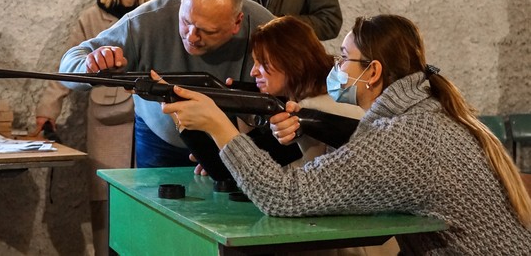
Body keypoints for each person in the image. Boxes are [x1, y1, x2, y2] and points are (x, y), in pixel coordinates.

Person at [162, 14, 531, 254]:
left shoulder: (405, 137)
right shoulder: (427, 113)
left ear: (372, 72)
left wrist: (217, 125)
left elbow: (283, 196)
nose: (335, 67)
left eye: (342, 59)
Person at [58, 0, 276, 171]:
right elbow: (67, 68)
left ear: (237, 22)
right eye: (185, 21)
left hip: (239, 141)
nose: (191, 36)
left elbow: (302, 83)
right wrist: (91, 64)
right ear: (182, 4)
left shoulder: (264, 27)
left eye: (207, 31)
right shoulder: (149, 20)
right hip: (160, 140)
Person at [35, 0, 156, 256]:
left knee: (151, 195)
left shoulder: (155, 15)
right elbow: (67, 64)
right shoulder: (92, 17)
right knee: (104, 195)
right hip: (106, 117)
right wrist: (47, 111)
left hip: (149, 114)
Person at [246, 15, 364, 165]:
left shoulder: (310, 108)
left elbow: (307, 179)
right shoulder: (338, 93)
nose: (253, 72)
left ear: (290, 61)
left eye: (263, 63)